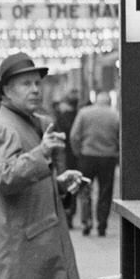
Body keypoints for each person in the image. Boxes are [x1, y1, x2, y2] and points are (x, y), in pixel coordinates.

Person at [0, 51, 88, 279]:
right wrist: (42, 153)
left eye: (37, 83)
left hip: (34, 250)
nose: (35, 89)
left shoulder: (26, 122)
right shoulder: (3, 128)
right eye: (26, 84)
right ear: (6, 90)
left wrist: (60, 185)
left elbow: (25, 178)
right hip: (21, 254)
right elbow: (6, 177)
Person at [69, 90, 120, 237]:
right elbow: (121, 136)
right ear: (109, 101)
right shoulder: (115, 115)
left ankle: (86, 221)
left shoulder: (84, 113)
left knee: (84, 189)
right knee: (105, 191)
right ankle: (102, 223)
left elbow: (74, 135)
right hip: (108, 157)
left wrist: (77, 151)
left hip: (87, 156)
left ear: (96, 100)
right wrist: (116, 152)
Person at [52, 94, 80, 227]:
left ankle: (67, 213)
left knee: (65, 184)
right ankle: (72, 212)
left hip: (64, 155)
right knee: (76, 184)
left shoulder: (59, 118)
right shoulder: (78, 115)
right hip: (76, 155)